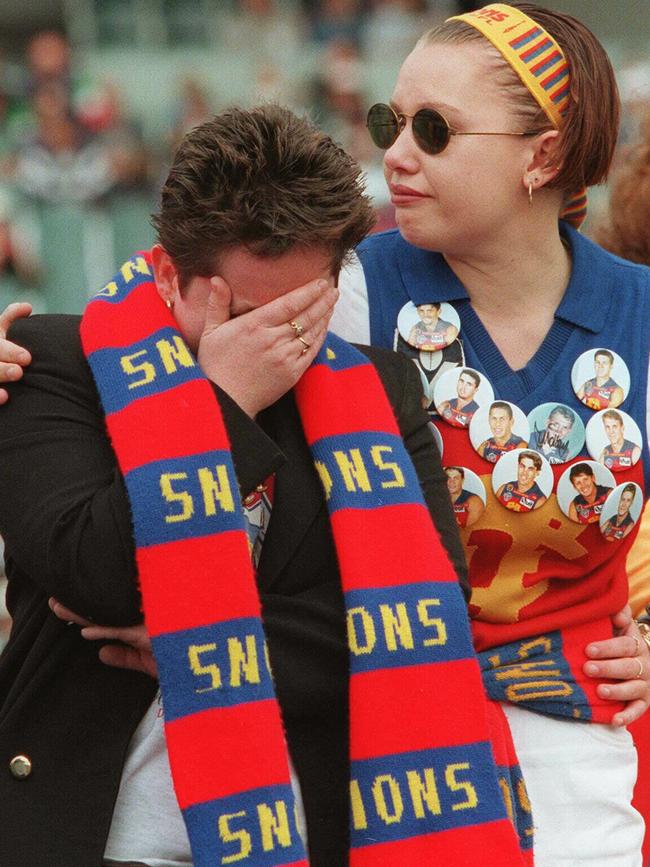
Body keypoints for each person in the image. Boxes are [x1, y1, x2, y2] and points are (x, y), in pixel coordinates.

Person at [0, 105, 528, 867]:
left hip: (298, 836)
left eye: (301, 315)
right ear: (165, 274)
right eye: (244, 315)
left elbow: (428, 622)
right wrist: (220, 402)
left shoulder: (380, 392)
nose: (274, 344)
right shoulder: (52, 361)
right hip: (89, 832)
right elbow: (94, 577)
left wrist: (208, 640)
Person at [327, 3, 650, 864]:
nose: (395, 154)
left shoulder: (643, 314)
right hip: (381, 738)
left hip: (586, 754)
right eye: (390, 123)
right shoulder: (347, 292)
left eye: (433, 130)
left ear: (542, 154)